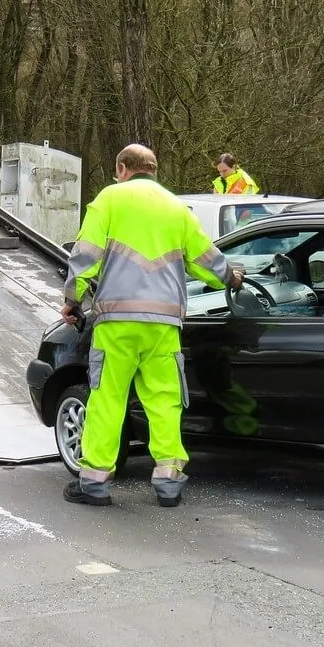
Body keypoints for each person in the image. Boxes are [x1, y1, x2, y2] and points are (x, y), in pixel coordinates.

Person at [61, 143, 244, 508]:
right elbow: (206, 259)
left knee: (108, 399)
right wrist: (231, 278)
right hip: (164, 324)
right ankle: (168, 480)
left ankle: (95, 481)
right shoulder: (178, 209)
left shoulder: (109, 200)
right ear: (154, 171)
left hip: (118, 323)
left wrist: (71, 299)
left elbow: (86, 256)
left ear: (123, 168)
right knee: (164, 401)